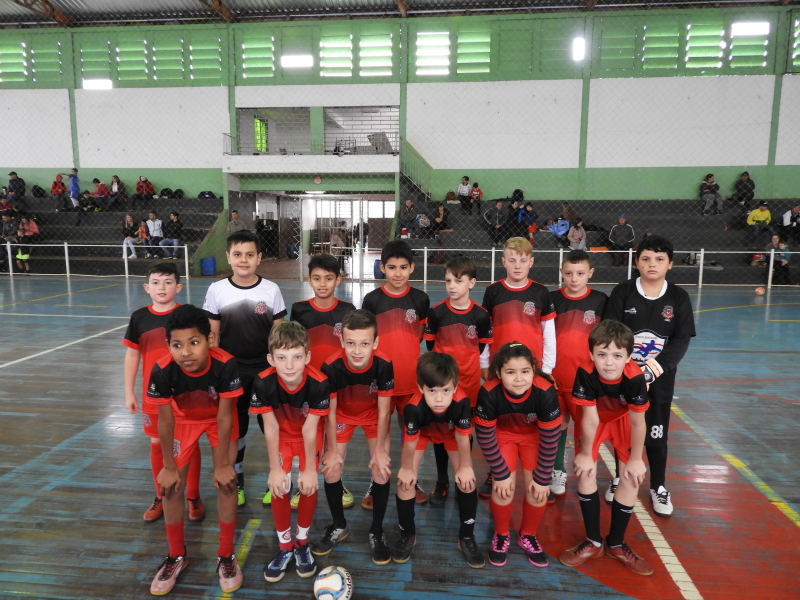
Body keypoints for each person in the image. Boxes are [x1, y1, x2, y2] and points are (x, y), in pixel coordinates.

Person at [146, 304, 244, 595]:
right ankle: (176, 555)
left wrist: (223, 465)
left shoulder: (226, 364)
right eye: (177, 345)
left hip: (218, 420)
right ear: (168, 345)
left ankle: (226, 554)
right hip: (183, 420)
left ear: (209, 340)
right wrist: (168, 466)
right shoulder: (162, 369)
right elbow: (165, 421)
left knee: (227, 482)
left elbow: (225, 417)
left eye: (194, 342)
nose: (185, 352)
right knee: (170, 487)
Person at [605, 235, 695, 516]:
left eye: (659, 259)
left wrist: (654, 369)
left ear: (670, 264)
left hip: (660, 380)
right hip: (624, 378)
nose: (652, 264)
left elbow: (681, 340)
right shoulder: (623, 292)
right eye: (645, 258)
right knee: (623, 432)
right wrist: (627, 370)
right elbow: (611, 333)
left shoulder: (678, 297)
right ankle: (620, 477)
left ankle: (658, 485)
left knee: (656, 435)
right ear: (636, 262)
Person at [558, 320, 653, 575]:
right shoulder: (585, 371)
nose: (609, 362)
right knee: (584, 471)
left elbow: (638, 422)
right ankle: (593, 541)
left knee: (631, 476)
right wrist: (585, 454)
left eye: (617, 355)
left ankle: (616, 544)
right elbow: (589, 418)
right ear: (591, 354)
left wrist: (636, 459)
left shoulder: (635, 377)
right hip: (595, 420)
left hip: (623, 421)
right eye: (601, 354)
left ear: (628, 357)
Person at [203, 230, 287, 507]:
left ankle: (279, 476)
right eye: (237, 254)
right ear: (228, 257)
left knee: (272, 425)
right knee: (234, 428)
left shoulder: (271, 290)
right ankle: (236, 478)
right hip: (232, 372)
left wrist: (280, 367)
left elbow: (278, 334)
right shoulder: (217, 289)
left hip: (265, 370)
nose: (243, 260)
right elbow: (212, 335)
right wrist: (215, 370)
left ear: (259, 258)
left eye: (250, 255)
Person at [122, 262, 205, 524]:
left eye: (168, 282)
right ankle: (161, 495)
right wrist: (129, 392)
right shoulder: (139, 317)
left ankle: (193, 495)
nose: (162, 287)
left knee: (189, 444)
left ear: (178, 287)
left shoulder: (187, 316)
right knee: (157, 442)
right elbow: (132, 355)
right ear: (146, 287)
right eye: (156, 282)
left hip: (185, 394)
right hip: (154, 397)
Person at [250, 322, 331, 583]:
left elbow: (310, 429)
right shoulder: (262, 382)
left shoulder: (320, 383)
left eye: (297, 357)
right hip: (282, 435)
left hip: (309, 433)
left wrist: (310, 470)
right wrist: (275, 469)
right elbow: (270, 427)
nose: (289, 365)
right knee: (279, 486)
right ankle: (285, 546)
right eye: (282, 358)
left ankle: (301, 543)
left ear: (307, 357)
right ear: (271, 359)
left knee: (309, 485)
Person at [312, 310, 395, 564]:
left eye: (364, 344)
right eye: (350, 343)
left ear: (375, 342)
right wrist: (331, 450)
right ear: (341, 340)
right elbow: (330, 413)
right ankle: (339, 525)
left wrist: (379, 451)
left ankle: (377, 531)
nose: (357, 351)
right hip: (342, 416)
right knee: (331, 469)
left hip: (373, 415)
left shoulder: (384, 364)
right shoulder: (331, 366)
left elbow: (384, 412)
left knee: (381, 469)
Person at [478, 237, 556, 497]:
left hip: (531, 368)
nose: (518, 265)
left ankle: (540, 470)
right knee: (498, 416)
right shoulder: (493, 291)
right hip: (500, 368)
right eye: (512, 260)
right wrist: (484, 362)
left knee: (530, 416)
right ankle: (497, 468)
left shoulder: (541, 292)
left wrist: (547, 367)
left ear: (531, 262)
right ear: (503, 262)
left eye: (523, 260)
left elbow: (548, 331)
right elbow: (486, 330)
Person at [475, 342, 561, 568]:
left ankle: (528, 535)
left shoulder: (545, 391)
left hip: (534, 437)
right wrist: (500, 474)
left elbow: (551, 437)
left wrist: (543, 477)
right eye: (510, 372)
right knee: (503, 488)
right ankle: (501, 534)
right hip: (503, 436)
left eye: (525, 371)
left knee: (538, 490)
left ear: (533, 370)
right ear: (498, 373)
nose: (519, 379)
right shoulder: (489, 391)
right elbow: (485, 436)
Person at [395, 352, 482, 567]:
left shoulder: (462, 402)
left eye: (445, 390)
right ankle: (407, 533)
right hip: (423, 435)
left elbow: (463, 438)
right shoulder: (413, 407)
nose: (439, 398)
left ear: (455, 386)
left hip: (451, 435)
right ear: (420, 387)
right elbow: (410, 442)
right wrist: (406, 469)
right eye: (432, 391)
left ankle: (467, 536)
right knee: (405, 483)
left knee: (468, 482)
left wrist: (466, 467)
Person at [362, 240, 430, 506]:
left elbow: (419, 336)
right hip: (379, 380)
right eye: (392, 267)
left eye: (403, 267)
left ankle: (410, 476)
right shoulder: (372, 300)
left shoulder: (420, 299)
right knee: (380, 431)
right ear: (382, 268)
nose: (398, 273)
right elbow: (367, 337)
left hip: (410, 380)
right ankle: (377, 478)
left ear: (412, 267)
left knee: (410, 431)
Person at [289, 253, 356, 509]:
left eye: (328, 278)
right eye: (317, 278)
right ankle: (303, 482)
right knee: (308, 436)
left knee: (336, 438)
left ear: (338, 280)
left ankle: (336, 480)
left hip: (339, 387)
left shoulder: (347, 310)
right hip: (308, 387)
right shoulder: (300, 309)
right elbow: (294, 346)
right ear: (309, 280)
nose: (323, 283)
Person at [423, 256, 492, 506]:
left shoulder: (481, 315)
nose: (452, 286)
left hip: (470, 385)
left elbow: (482, 347)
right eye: (448, 281)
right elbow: (430, 346)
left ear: (471, 283)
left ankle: (464, 473)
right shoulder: (436, 312)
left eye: (458, 281)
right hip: (443, 386)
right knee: (441, 432)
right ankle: (442, 480)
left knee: (465, 431)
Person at [549, 250, 608, 499]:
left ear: (590, 273)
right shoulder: (551, 299)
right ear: (561, 272)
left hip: (585, 381)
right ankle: (557, 470)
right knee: (557, 426)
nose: (574, 279)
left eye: (580, 274)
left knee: (586, 428)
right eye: (569, 273)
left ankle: (586, 469)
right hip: (555, 378)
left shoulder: (600, 301)